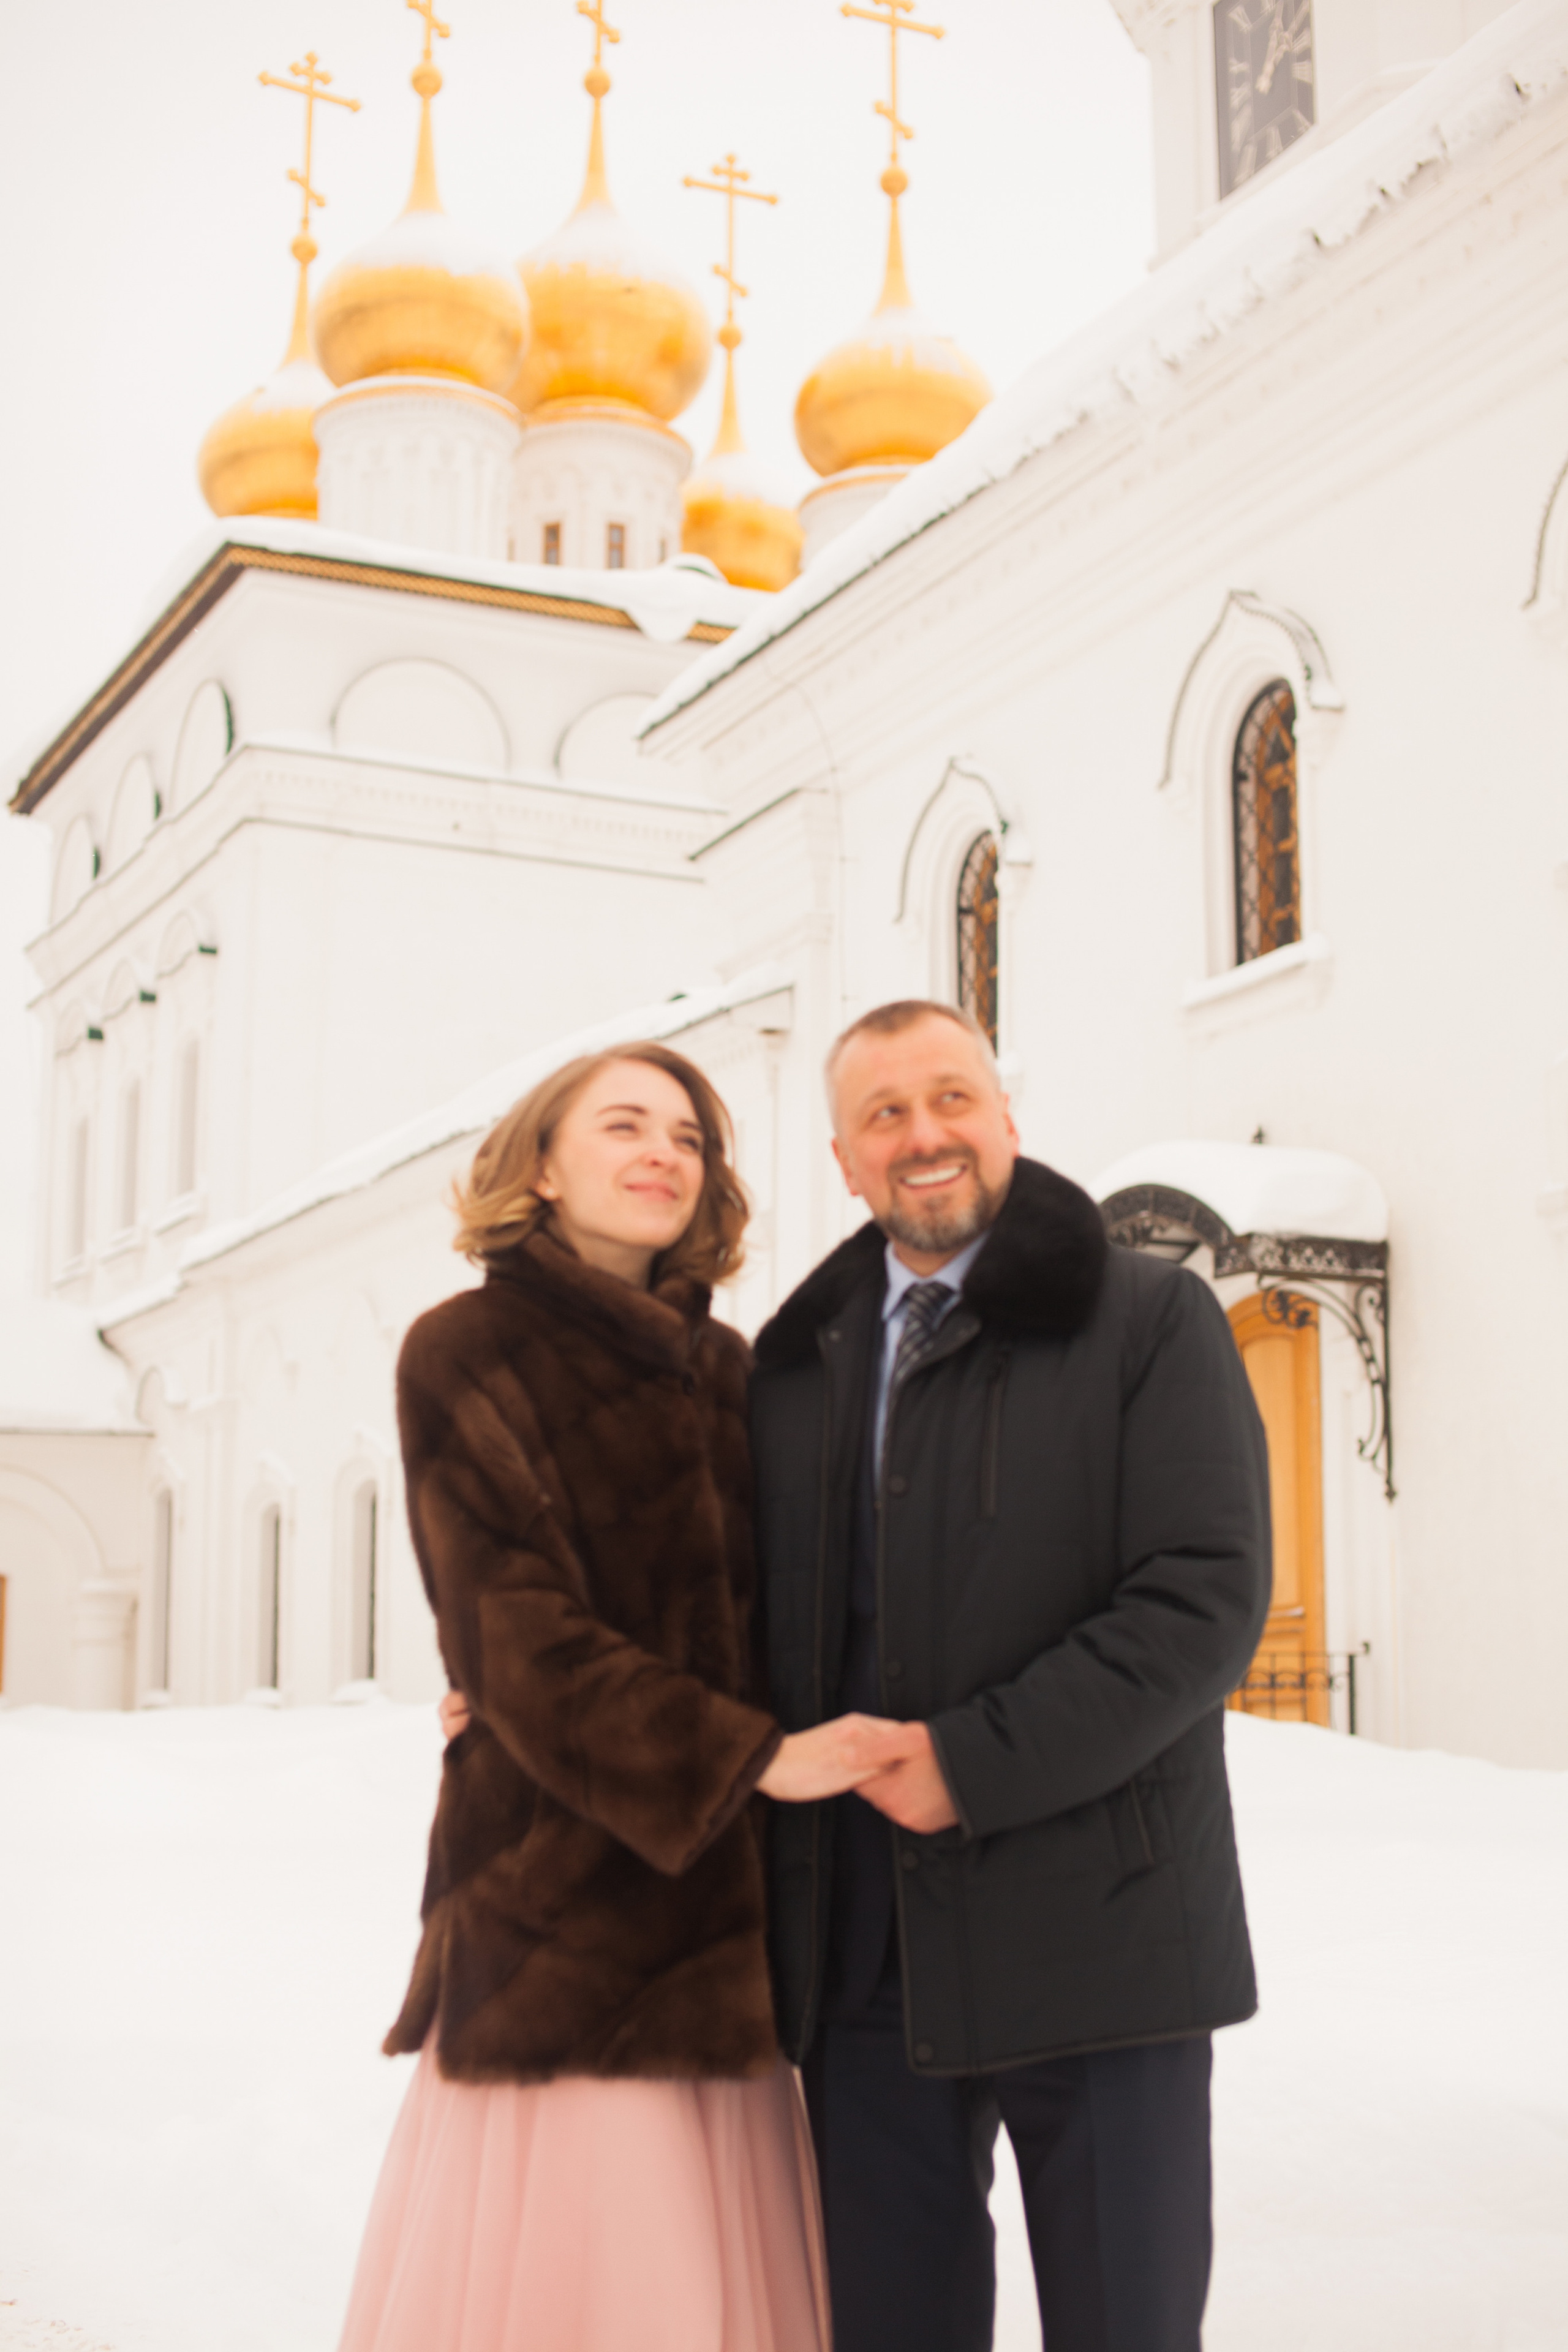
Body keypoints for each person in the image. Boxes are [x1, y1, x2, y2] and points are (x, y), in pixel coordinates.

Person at [339, 1042, 910, 2352]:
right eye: (623, 1126)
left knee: (712, 2293)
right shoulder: (463, 1349)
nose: (664, 1152)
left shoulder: (735, 1376)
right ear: (540, 1166)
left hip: (728, 1930)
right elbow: (514, 1633)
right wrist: (749, 1757)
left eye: (690, 1137)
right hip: (561, 1919)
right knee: (594, 2293)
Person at [749, 1000, 1273, 2352]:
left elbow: (1199, 1601)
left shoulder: (1147, 1318)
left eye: (950, 1100)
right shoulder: (793, 1372)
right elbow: (736, 1615)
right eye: (884, 1114)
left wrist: (969, 1765)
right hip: (868, 1959)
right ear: (842, 1158)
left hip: (1102, 1929)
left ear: (1005, 1120)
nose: (923, 1135)